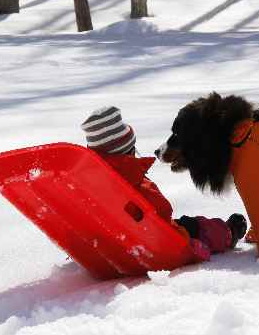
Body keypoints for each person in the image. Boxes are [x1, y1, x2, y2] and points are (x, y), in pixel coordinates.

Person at [81, 106, 247, 262]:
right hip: (152, 244)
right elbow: (163, 215)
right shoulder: (137, 186)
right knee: (195, 226)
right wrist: (189, 243)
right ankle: (229, 233)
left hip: (109, 243)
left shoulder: (84, 184)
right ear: (129, 150)